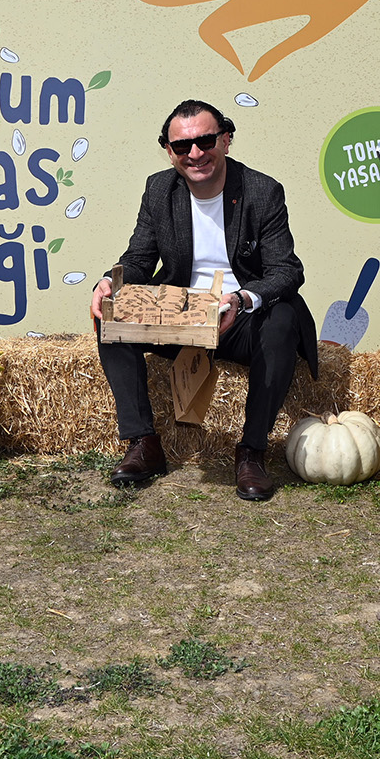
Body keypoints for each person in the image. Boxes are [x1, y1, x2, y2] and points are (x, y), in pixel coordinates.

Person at [89, 100, 319, 500]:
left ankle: (251, 452)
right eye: (182, 146)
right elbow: (139, 259)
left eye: (205, 140)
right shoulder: (159, 189)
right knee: (111, 316)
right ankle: (144, 443)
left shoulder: (262, 191)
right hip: (181, 315)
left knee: (283, 319)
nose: (195, 154)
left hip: (238, 317)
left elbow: (286, 271)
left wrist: (243, 299)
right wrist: (109, 282)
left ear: (226, 139)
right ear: (169, 151)